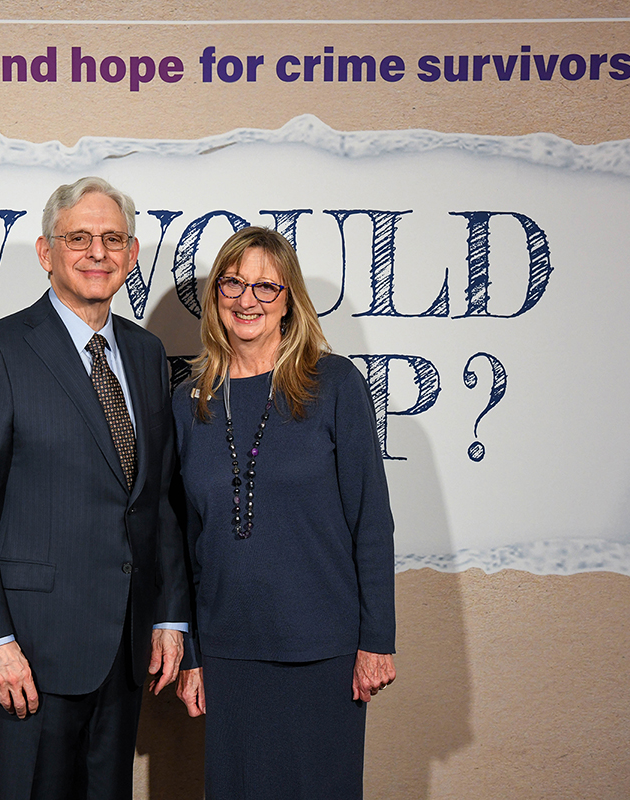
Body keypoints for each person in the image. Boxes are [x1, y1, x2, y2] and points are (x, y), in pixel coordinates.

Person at [0, 177, 190, 800]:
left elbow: (157, 501)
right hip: (29, 653)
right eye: (78, 238)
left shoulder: (146, 352)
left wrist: (169, 613)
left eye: (111, 239)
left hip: (125, 651)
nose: (96, 253)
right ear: (46, 252)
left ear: (133, 255)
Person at [173, 226, 396, 798]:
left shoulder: (335, 384)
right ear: (216, 294)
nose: (247, 300)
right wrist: (193, 652)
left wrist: (378, 640)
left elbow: (371, 522)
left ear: (289, 301)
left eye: (266, 287)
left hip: (322, 649)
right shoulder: (188, 402)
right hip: (228, 651)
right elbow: (179, 541)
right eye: (233, 283)